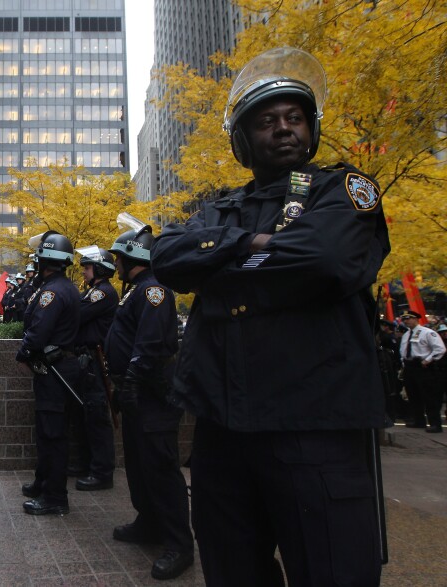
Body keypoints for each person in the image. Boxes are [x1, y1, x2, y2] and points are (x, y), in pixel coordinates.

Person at [150, 47, 391, 585]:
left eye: (294, 118)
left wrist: (218, 260)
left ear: (311, 129)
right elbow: (167, 258)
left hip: (315, 431)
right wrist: (256, 244)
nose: (283, 129)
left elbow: (326, 259)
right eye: (266, 121)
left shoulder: (345, 190)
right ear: (242, 139)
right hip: (223, 433)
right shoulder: (216, 206)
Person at [105, 219, 194, 580]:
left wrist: (132, 382)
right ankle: (149, 523)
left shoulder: (153, 291)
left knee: (160, 469)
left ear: (133, 257)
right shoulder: (136, 290)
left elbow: (151, 344)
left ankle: (179, 543)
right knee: (140, 468)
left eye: (119, 258)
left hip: (152, 396)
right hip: (137, 395)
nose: (115, 265)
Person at [17, 231, 81, 516]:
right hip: (57, 368)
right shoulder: (63, 287)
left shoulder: (53, 292)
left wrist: (24, 352)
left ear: (44, 261)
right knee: (47, 432)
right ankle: (43, 483)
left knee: (52, 434)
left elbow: (38, 332)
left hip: (56, 370)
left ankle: (55, 497)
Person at [71, 246, 118, 491]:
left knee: (98, 416)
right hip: (87, 359)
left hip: (96, 360)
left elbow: (76, 313)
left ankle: (101, 472)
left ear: (99, 269)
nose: (84, 272)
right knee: (89, 415)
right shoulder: (94, 291)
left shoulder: (102, 293)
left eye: (87, 268)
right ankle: (89, 464)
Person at [399, 311, 446, 432]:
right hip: (410, 367)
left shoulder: (428, 333)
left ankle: (435, 423)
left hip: (423, 367)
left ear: (417, 319)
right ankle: (419, 421)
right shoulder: (406, 335)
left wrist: (428, 360)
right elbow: (403, 351)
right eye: (404, 319)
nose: (406, 321)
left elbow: (440, 349)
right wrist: (404, 364)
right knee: (413, 395)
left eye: (409, 318)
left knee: (429, 396)